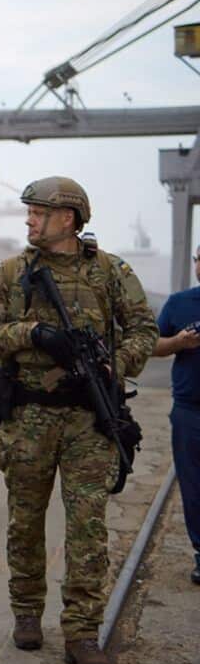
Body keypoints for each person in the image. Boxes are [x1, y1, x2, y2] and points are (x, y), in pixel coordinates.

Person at [0, 176, 157, 664]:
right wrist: (33, 333)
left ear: (67, 218)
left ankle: (82, 631)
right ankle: (27, 613)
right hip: (28, 417)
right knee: (25, 524)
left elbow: (143, 329)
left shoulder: (110, 272)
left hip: (89, 420)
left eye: (37, 212)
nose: (28, 220)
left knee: (88, 529)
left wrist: (119, 363)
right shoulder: (10, 273)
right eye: (28, 212)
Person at [153, 245, 200, 585]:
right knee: (193, 485)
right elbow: (152, 346)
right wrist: (179, 343)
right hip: (189, 411)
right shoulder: (179, 303)